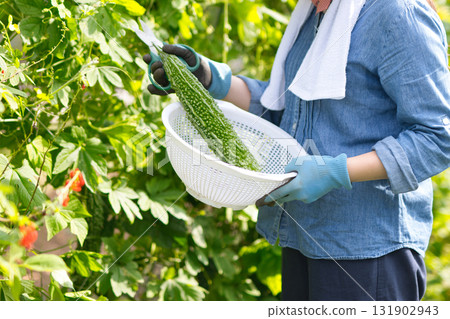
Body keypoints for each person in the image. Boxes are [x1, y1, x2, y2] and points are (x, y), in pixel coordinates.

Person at [144, 0, 450, 301]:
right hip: (305, 236)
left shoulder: (397, 13)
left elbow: (438, 136)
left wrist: (336, 172)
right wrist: (211, 80)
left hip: (368, 252)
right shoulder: (314, 13)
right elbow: (287, 110)